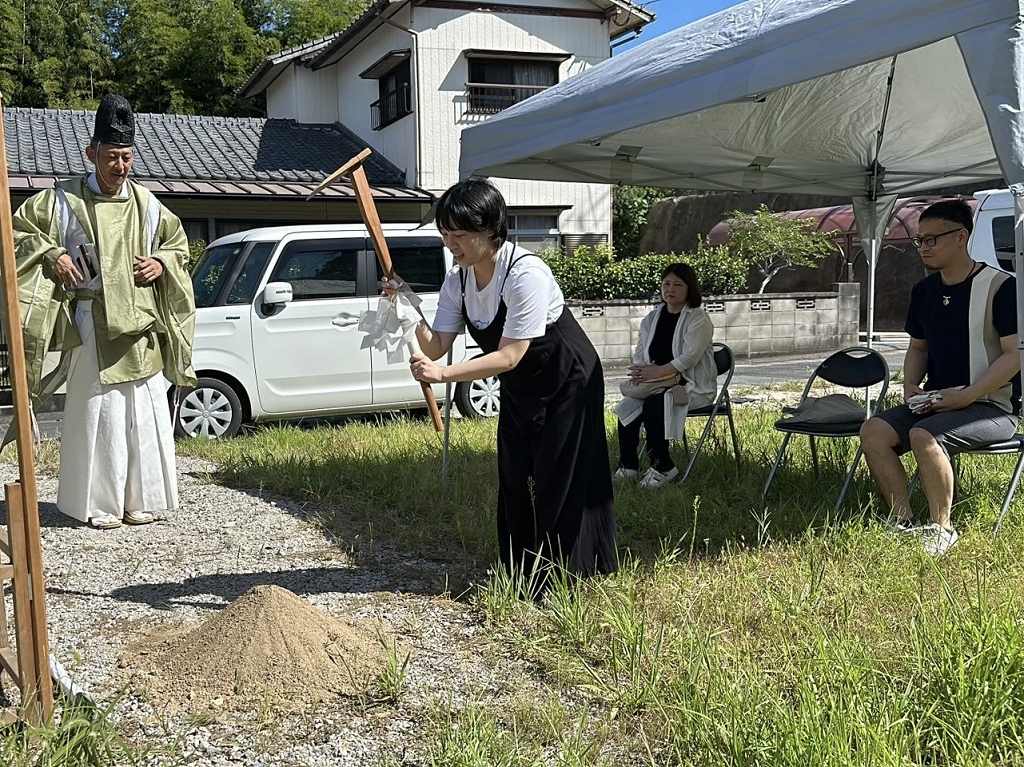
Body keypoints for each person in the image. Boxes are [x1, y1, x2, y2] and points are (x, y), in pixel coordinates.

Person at [383, 178, 616, 587]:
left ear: (491, 229)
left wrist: (444, 377)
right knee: (513, 473)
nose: (451, 244)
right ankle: (520, 571)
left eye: (460, 235)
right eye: (445, 234)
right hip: (521, 383)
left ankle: (565, 577)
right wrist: (406, 307)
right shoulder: (458, 279)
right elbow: (436, 345)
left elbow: (509, 354)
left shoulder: (526, 273)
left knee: (558, 475)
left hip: (568, 377)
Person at [13, 93, 196, 530]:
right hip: (91, 320)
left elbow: (177, 247)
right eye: (112, 156)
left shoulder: (149, 205)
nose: (120, 166)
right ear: (91, 153)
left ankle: (140, 499)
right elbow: (18, 231)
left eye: (127, 157)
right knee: (99, 413)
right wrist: (52, 252)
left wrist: (161, 263)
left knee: (143, 414)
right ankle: (97, 504)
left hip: (141, 327)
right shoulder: (61, 201)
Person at [859, 199, 1020, 556]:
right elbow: (918, 348)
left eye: (932, 239)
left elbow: (1015, 356)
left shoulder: (1001, 287)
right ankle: (902, 523)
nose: (924, 248)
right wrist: (911, 386)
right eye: (920, 240)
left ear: (961, 237)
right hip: (937, 402)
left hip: (992, 407)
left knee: (924, 434)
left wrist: (968, 395)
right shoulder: (925, 291)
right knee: (873, 430)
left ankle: (942, 529)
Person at [614, 263, 716, 488]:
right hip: (656, 384)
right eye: (666, 284)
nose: (670, 289)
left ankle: (663, 466)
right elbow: (641, 354)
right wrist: (641, 372)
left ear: (690, 288)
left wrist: (659, 371)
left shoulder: (698, 318)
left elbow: (690, 357)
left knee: (654, 404)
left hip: (690, 386)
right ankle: (628, 466)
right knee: (628, 405)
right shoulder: (651, 319)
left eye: (678, 284)